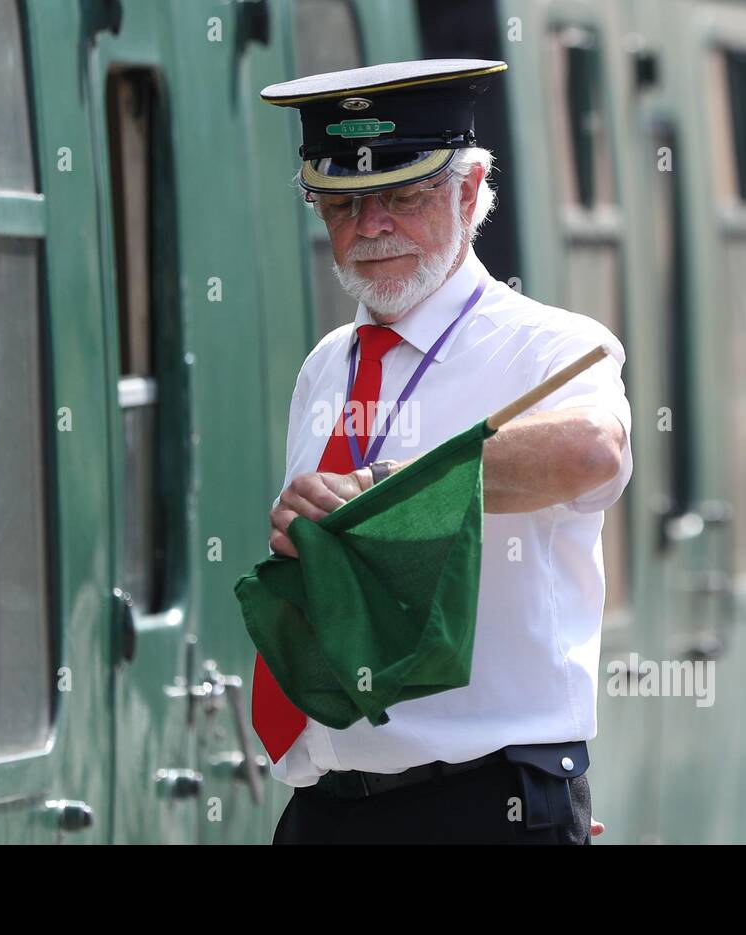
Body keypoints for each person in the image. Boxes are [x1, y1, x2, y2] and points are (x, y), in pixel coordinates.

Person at [255, 59, 632, 844]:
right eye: (344, 202)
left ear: (468, 192)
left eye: (403, 194)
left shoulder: (552, 346)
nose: (372, 226)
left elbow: (596, 452)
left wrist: (391, 488)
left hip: (483, 803)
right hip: (329, 808)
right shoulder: (328, 364)